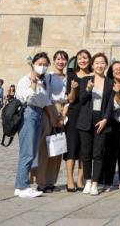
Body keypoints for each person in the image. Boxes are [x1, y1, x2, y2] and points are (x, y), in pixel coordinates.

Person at [14, 52, 62, 198]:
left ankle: (20, 186)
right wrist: (33, 84)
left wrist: (54, 117)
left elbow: (46, 101)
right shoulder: (25, 80)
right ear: (33, 64)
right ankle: (22, 186)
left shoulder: (42, 82)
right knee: (27, 151)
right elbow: (25, 98)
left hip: (38, 114)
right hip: (28, 113)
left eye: (45, 65)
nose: (42, 67)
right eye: (40, 64)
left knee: (31, 151)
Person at [77, 52, 114, 196]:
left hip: (101, 119)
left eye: (102, 63)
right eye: (97, 63)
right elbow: (81, 99)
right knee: (86, 154)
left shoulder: (109, 82)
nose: (100, 65)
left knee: (98, 154)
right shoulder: (85, 79)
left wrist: (105, 119)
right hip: (86, 119)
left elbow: (110, 103)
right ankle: (87, 181)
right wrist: (88, 89)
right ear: (92, 65)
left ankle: (95, 183)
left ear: (106, 65)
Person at [36, 51, 69, 193]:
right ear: (54, 61)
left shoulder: (69, 78)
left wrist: (63, 116)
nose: (61, 62)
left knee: (57, 148)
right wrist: (52, 117)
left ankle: (51, 182)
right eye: (58, 59)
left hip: (63, 113)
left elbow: (69, 99)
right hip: (49, 111)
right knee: (45, 148)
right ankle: (41, 182)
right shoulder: (48, 77)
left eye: (64, 59)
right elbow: (45, 97)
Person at [64, 49, 92, 192]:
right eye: (80, 58)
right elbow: (70, 99)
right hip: (74, 113)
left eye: (85, 58)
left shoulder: (93, 76)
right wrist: (74, 89)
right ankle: (70, 179)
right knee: (71, 146)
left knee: (84, 148)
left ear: (89, 60)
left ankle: (80, 180)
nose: (82, 61)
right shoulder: (72, 76)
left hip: (87, 113)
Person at [102, 60, 120, 192]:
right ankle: (108, 181)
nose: (118, 71)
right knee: (110, 153)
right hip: (112, 122)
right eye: (115, 70)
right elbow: (116, 105)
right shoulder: (109, 85)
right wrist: (118, 93)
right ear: (111, 73)